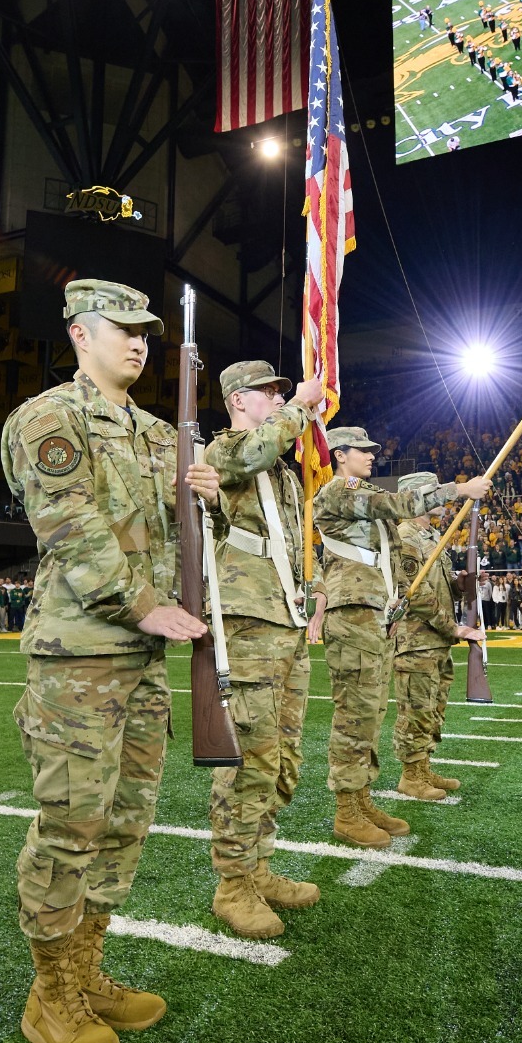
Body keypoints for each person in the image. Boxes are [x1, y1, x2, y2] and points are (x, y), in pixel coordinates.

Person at [0, 279, 221, 1043]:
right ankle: (50, 992)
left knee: (126, 825)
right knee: (71, 825)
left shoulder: (165, 436)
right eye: (123, 329)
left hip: (144, 662)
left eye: (148, 333)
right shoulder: (49, 419)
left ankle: (87, 970)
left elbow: (183, 542)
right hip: (80, 655)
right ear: (80, 332)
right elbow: (68, 525)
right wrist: (142, 605)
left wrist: (208, 499)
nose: (139, 343)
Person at [308, 426, 486, 849]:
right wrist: (459, 489)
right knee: (355, 715)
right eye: (362, 451)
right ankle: (347, 811)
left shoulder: (362, 497)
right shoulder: (338, 491)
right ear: (339, 454)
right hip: (351, 614)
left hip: (371, 613)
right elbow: (396, 504)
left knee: (369, 713)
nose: (372, 456)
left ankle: (362, 799)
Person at [200, 359, 326, 940]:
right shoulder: (224, 450)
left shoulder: (280, 471)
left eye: (280, 392)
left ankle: (260, 867)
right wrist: (301, 406)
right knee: (249, 758)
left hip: (286, 620)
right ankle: (232, 884)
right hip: (246, 622)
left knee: (284, 756)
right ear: (237, 401)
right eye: (268, 393)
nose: (277, 399)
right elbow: (254, 452)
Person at [390, 473, 485, 803]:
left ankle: (424, 766)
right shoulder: (406, 537)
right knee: (416, 709)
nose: (443, 502)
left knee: (433, 709)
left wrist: (461, 585)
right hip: (415, 641)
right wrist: (454, 627)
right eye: (433, 494)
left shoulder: (430, 537)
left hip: (434, 641)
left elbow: (440, 588)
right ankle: (410, 776)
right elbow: (415, 595)